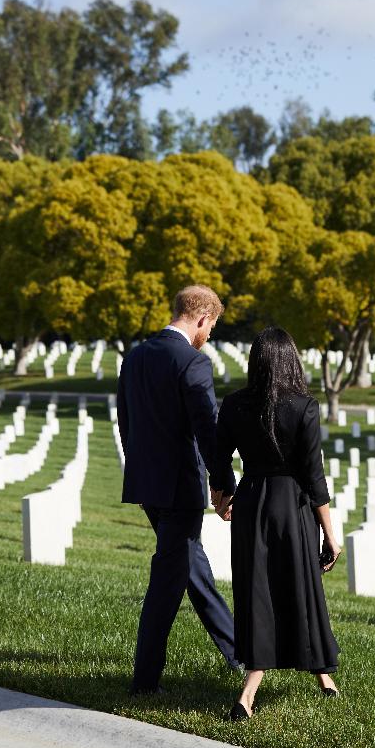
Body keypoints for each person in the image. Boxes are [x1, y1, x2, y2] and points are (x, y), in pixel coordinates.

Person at [116, 285, 241, 695]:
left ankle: (238, 653)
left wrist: (140, 470)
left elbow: (126, 422)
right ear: (202, 318)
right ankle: (145, 681)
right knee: (166, 584)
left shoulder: (135, 357)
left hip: (146, 484)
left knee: (193, 569)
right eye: (212, 327)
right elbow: (208, 430)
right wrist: (225, 485)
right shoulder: (193, 362)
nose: (210, 336)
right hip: (179, 489)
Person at [214, 326, 342, 721]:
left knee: (258, 593)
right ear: (291, 361)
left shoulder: (234, 404)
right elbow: (313, 477)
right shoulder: (304, 407)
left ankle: (251, 691)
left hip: (252, 503)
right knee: (300, 588)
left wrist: (223, 496)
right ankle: (321, 674)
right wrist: (330, 535)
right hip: (293, 507)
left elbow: (218, 457)